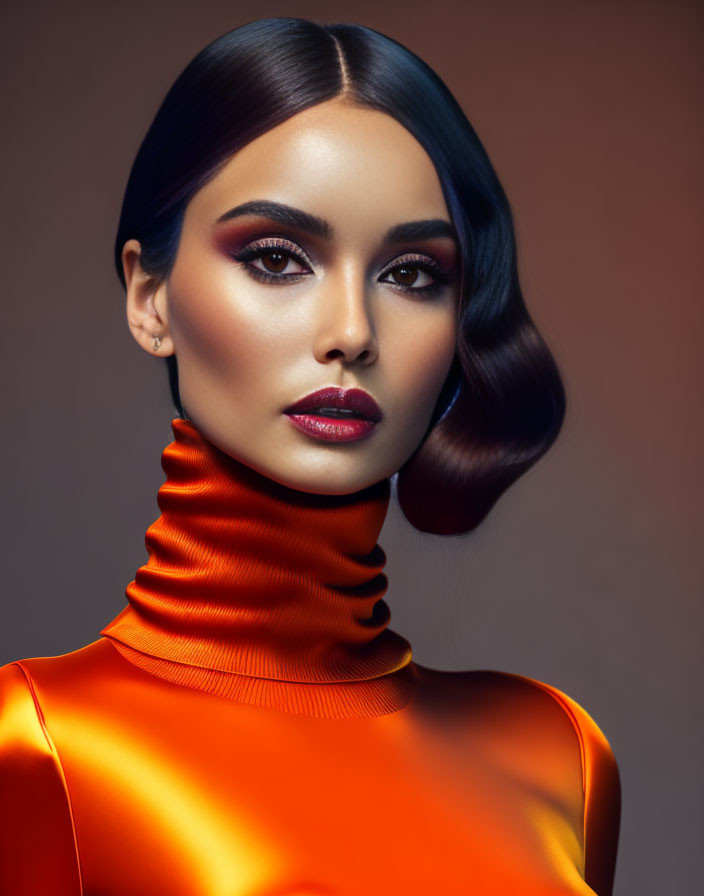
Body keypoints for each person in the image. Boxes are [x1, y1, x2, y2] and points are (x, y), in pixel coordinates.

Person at [0, 16, 620, 895]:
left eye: (412, 274)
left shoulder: (559, 751)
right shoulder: (35, 747)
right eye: (278, 258)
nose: (352, 333)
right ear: (150, 298)